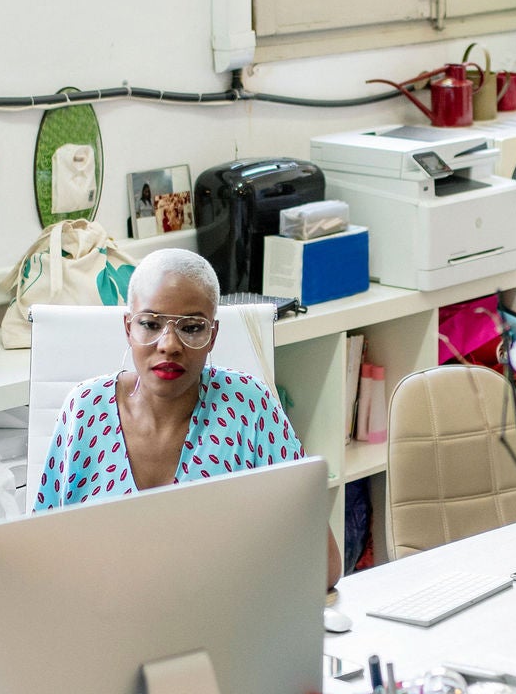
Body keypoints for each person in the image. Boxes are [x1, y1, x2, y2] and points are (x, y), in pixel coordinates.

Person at [34, 248, 342, 585]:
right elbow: (39, 557)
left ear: (213, 335)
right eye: (150, 324)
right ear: (127, 328)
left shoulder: (249, 408)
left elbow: (322, 565)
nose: (169, 345)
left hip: (220, 621)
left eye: (192, 327)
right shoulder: (85, 409)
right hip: (102, 619)